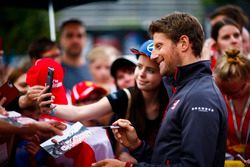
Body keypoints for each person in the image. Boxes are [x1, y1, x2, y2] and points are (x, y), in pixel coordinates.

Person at [92, 12, 228, 167]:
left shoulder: (200, 96)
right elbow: (167, 160)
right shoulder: (184, 88)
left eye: (158, 46)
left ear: (183, 43)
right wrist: (137, 146)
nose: (154, 55)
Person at [38, 40, 169, 163]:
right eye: (139, 66)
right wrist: (51, 108)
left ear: (164, 71)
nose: (141, 74)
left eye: (151, 70)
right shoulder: (126, 96)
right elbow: (81, 112)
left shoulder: (174, 100)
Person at [214, 49, 250, 160]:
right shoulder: (216, 98)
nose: (227, 98)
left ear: (248, 80)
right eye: (223, 92)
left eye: (233, 93)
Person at [59, 19, 92, 91]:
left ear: (85, 40)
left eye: (79, 36)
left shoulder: (95, 69)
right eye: (69, 35)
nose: (75, 40)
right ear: (61, 39)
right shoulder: (51, 71)